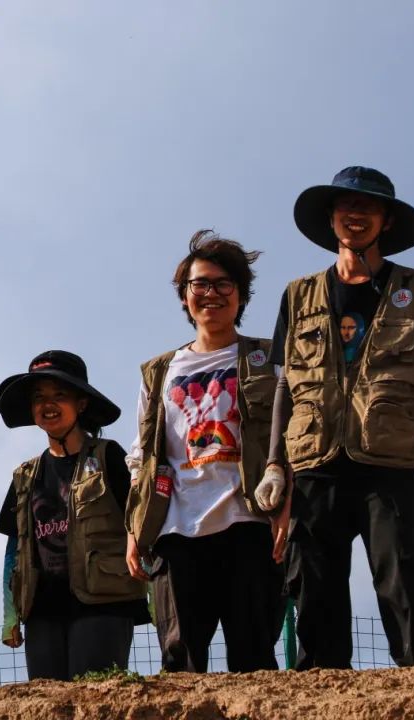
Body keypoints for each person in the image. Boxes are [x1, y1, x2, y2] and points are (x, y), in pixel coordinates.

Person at [255, 166, 414, 669]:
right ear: (331, 217)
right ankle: (322, 690)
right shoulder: (298, 295)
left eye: (368, 207)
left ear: (387, 222)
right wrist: (274, 465)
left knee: (403, 581)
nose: (355, 215)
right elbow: (285, 384)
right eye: (346, 205)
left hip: (388, 465)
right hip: (315, 465)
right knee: (315, 592)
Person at [124, 230, 285, 674]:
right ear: (184, 296)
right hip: (176, 530)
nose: (211, 293)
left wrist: (286, 512)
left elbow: (291, 441)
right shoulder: (160, 371)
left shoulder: (269, 359)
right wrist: (135, 529)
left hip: (250, 523)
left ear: (241, 295)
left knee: (254, 657)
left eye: (223, 284)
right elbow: (142, 456)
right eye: (200, 284)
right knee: (180, 660)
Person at [0, 351, 149, 680]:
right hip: (42, 610)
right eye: (39, 397)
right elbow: (13, 549)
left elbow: (139, 522)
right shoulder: (25, 475)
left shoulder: (108, 456)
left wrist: (154, 591)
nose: (48, 405)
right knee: (47, 701)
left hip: (103, 602)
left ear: (81, 403)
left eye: (59, 395)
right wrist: (11, 616)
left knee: (97, 696)